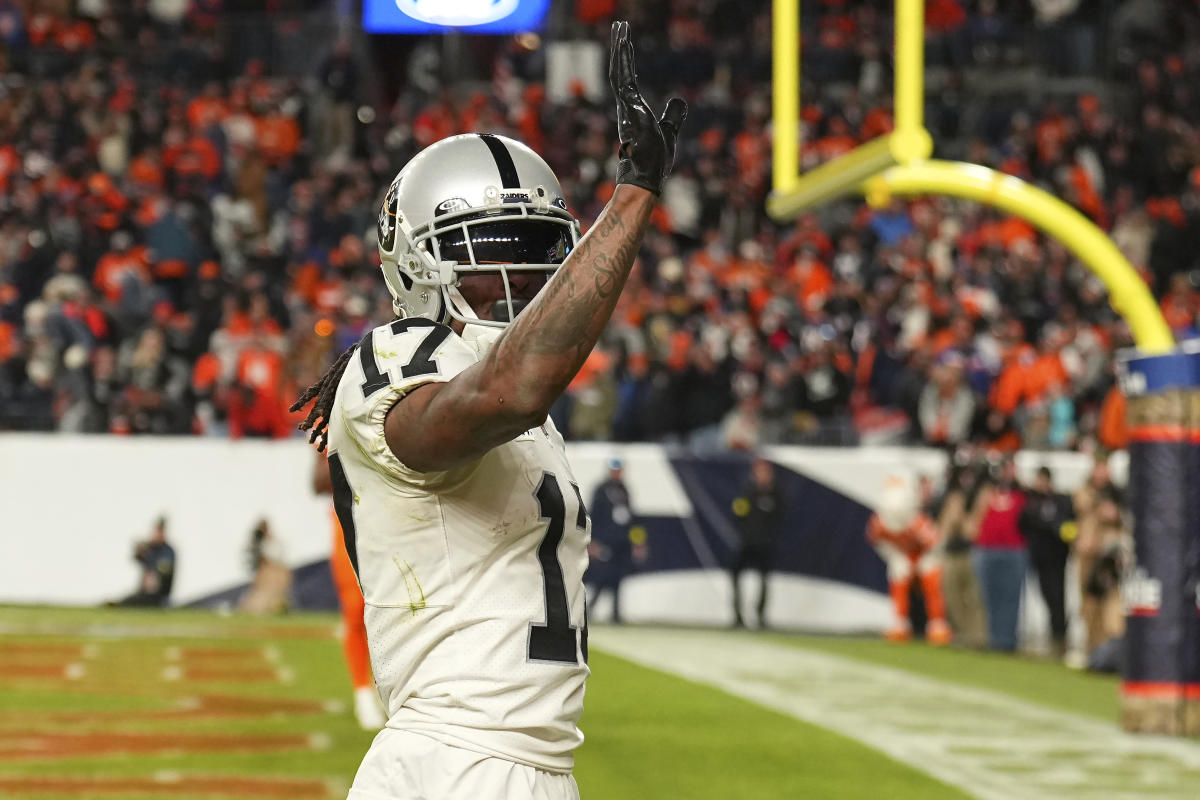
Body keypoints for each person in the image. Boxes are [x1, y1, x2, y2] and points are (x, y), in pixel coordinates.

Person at [290, 22, 685, 800]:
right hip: (456, 760)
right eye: (486, 258)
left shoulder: (521, 408)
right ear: (417, 267)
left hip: (518, 764)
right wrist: (634, 194)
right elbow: (505, 390)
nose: (520, 280)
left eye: (541, 254)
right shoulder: (396, 359)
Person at [314, 451, 386, 730]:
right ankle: (363, 692)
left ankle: (388, 687)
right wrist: (329, 452)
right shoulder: (335, 419)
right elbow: (317, 483)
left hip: (394, 517)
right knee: (356, 609)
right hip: (350, 520)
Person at [867, 475, 952, 645]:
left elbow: (936, 544)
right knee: (897, 575)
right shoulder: (879, 523)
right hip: (903, 557)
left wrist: (925, 560)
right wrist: (896, 557)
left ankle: (937, 624)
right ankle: (900, 624)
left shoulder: (917, 522)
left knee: (931, 577)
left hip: (923, 557)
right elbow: (879, 543)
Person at [968, 456, 1028, 652]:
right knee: (987, 597)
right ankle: (990, 639)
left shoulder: (1022, 493)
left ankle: (1007, 641)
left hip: (1013, 550)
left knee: (1011, 598)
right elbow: (975, 518)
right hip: (987, 549)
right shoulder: (985, 492)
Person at [1019, 466, 1074, 659]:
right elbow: (1024, 524)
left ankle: (1060, 640)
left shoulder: (1060, 500)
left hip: (1056, 558)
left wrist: (1051, 524)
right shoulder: (1031, 501)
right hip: (1037, 557)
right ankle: (1055, 638)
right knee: (1045, 596)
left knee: (1057, 599)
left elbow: (1064, 527)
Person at [933, 459, 988, 648]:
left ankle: (978, 638)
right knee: (951, 596)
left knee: (973, 598)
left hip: (971, 553)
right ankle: (962, 633)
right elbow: (943, 529)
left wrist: (960, 516)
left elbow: (973, 531)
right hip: (951, 553)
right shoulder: (951, 496)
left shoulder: (979, 495)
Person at [586, 457, 645, 624]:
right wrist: (593, 541)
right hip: (606, 540)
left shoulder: (624, 490)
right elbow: (594, 515)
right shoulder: (601, 489)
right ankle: (590, 608)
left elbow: (632, 519)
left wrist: (637, 542)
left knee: (618, 577)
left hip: (622, 541)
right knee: (604, 574)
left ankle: (616, 614)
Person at [730, 457, 784, 629]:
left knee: (764, 579)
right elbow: (738, 514)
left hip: (765, 544)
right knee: (735, 575)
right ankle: (738, 616)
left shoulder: (776, 495)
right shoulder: (747, 493)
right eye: (759, 471)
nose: (762, 475)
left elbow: (779, 519)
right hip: (747, 543)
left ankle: (760, 617)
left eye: (765, 471)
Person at [114, 517, 176, 607]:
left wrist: (149, 558)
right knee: (131, 600)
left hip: (159, 596)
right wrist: (142, 551)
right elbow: (137, 558)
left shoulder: (168, 551)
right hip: (145, 592)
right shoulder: (152, 548)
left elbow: (163, 570)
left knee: (132, 602)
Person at [238, 518, 292, 615]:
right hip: (266, 576)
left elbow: (279, 564)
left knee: (269, 602)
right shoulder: (257, 544)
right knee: (254, 604)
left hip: (274, 574)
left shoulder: (275, 544)